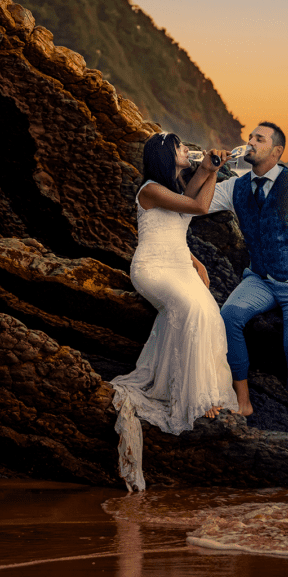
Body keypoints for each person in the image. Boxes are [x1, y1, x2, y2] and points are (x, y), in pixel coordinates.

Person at [111, 132, 239, 491]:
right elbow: (198, 207)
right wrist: (212, 170)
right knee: (190, 309)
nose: (187, 150)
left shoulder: (175, 184)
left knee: (208, 311)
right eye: (181, 147)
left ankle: (207, 391)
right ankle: (195, 399)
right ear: (167, 155)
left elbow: (184, 209)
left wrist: (194, 260)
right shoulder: (149, 189)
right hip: (152, 268)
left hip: (180, 264)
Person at [207, 122, 288, 447]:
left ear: (276, 151)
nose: (250, 142)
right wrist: (212, 169)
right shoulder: (235, 187)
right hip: (260, 279)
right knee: (229, 316)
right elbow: (199, 204)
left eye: (258, 139)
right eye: (250, 137)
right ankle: (243, 399)